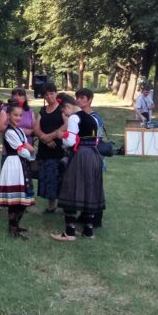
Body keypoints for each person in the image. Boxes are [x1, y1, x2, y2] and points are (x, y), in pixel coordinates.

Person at [51, 89, 105, 241]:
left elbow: (70, 141)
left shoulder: (75, 118)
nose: (65, 114)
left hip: (81, 156)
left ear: (68, 107)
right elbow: (95, 139)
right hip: (94, 156)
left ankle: (69, 232)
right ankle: (88, 231)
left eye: (64, 111)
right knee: (89, 190)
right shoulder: (93, 119)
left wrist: (62, 136)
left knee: (71, 188)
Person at [0, 101, 35, 237]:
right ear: (8, 115)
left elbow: (24, 146)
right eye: (15, 115)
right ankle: (12, 228)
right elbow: (22, 150)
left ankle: (16, 225)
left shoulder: (19, 130)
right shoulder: (9, 132)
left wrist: (27, 149)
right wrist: (30, 151)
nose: (18, 118)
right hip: (13, 164)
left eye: (20, 115)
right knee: (15, 199)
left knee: (22, 198)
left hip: (21, 163)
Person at [33, 82, 65, 214]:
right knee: (46, 177)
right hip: (44, 149)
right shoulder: (42, 110)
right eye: (46, 94)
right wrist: (44, 138)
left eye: (51, 93)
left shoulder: (62, 109)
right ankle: (51, 206)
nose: (49, 97)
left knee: (58, 177)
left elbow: (67, 125)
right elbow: (36, 128)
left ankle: (63, 206)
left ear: (56, 93)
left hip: (58, 150)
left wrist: (50, 136)